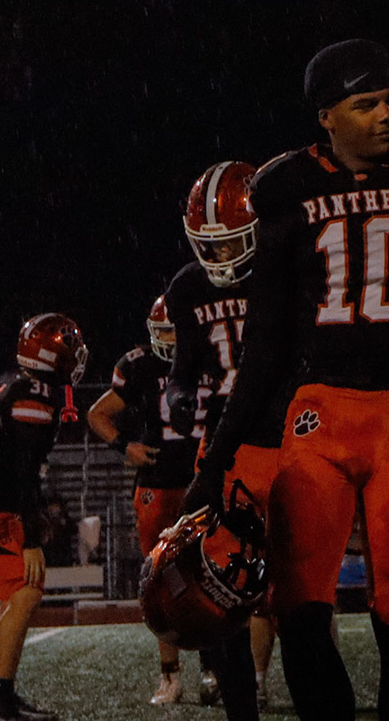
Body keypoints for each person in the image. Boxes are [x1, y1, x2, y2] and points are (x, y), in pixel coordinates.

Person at [187, 40, 389, 721]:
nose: (387, 115)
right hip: (321, 408)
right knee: (299, 607)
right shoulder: (288, 186)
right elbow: (265, 341)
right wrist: (217, 457)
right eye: (365, 104)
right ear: (326, 117)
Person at [169, 159, 280, 718]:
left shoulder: (282, 271)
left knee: (299, 595)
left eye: (230, 241)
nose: (219, 255)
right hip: (223, 447)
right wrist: (179, 393)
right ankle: (239, 703)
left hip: (286, 438)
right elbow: (184, 365)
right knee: (221, 586)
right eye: (208, 244)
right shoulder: (188, 288)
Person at [0, 313, 88, 721]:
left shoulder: (18, 382)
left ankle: (2, 694)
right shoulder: (32, 394)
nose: (75, 359)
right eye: (69, 350)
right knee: (25, 593)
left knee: (17, 596)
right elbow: (22, 468)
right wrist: (31, 537)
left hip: (0, 504)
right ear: (49, 354)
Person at [86, 297, 202, 704]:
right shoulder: (139, 366)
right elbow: (97, 414)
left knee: (213, 575)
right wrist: (125, 446)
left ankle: (215, 669)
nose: (169, 340)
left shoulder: (211, 353)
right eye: (163, 332)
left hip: (205, 478)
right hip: (158, 480)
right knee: (159, 581)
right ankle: (170, 674)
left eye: (174, 331)